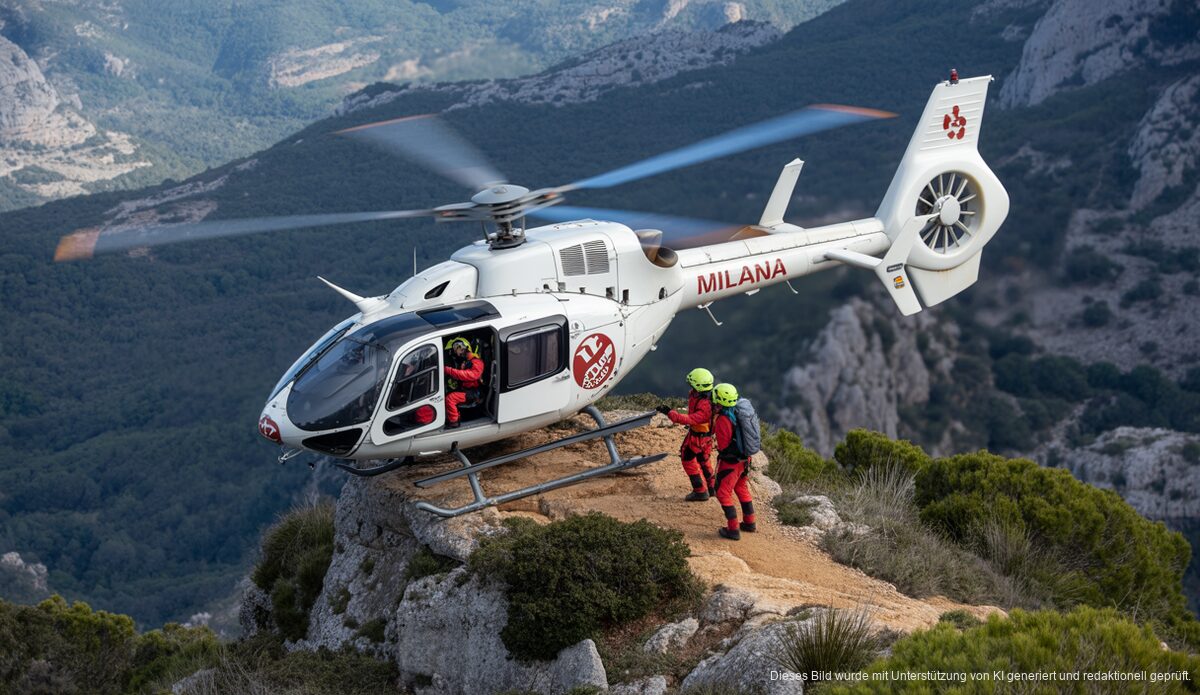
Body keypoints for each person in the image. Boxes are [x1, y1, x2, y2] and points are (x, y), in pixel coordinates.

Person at [657, 368, 716, 501]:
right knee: (704, 460)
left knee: (687, 459)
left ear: (699, 387)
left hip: (697, 438)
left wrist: (670, 413)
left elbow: (690, 419)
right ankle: (712, 488)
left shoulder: (705, 406)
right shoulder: (703, 398)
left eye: (693, 385)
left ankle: (700, 491)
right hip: (705, 438)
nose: (691, 388)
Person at [711, 383, 756, 540]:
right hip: (745, 459)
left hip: (731, 462)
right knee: (741, 487)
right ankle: (749, 522)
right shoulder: (738, 413)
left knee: (722, 493)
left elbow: (723, 446)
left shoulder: (724, 419)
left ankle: (733, 529)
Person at [443, 336, 484, 429]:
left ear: (463, 347)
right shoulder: (465, 362)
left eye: (457, 348)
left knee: (450, 398)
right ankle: (454, 417)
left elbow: (471, 375)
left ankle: (454, 422)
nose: (456, 352)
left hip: (474, 393)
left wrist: (449, 370)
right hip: (467, 390)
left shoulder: (477, 362)